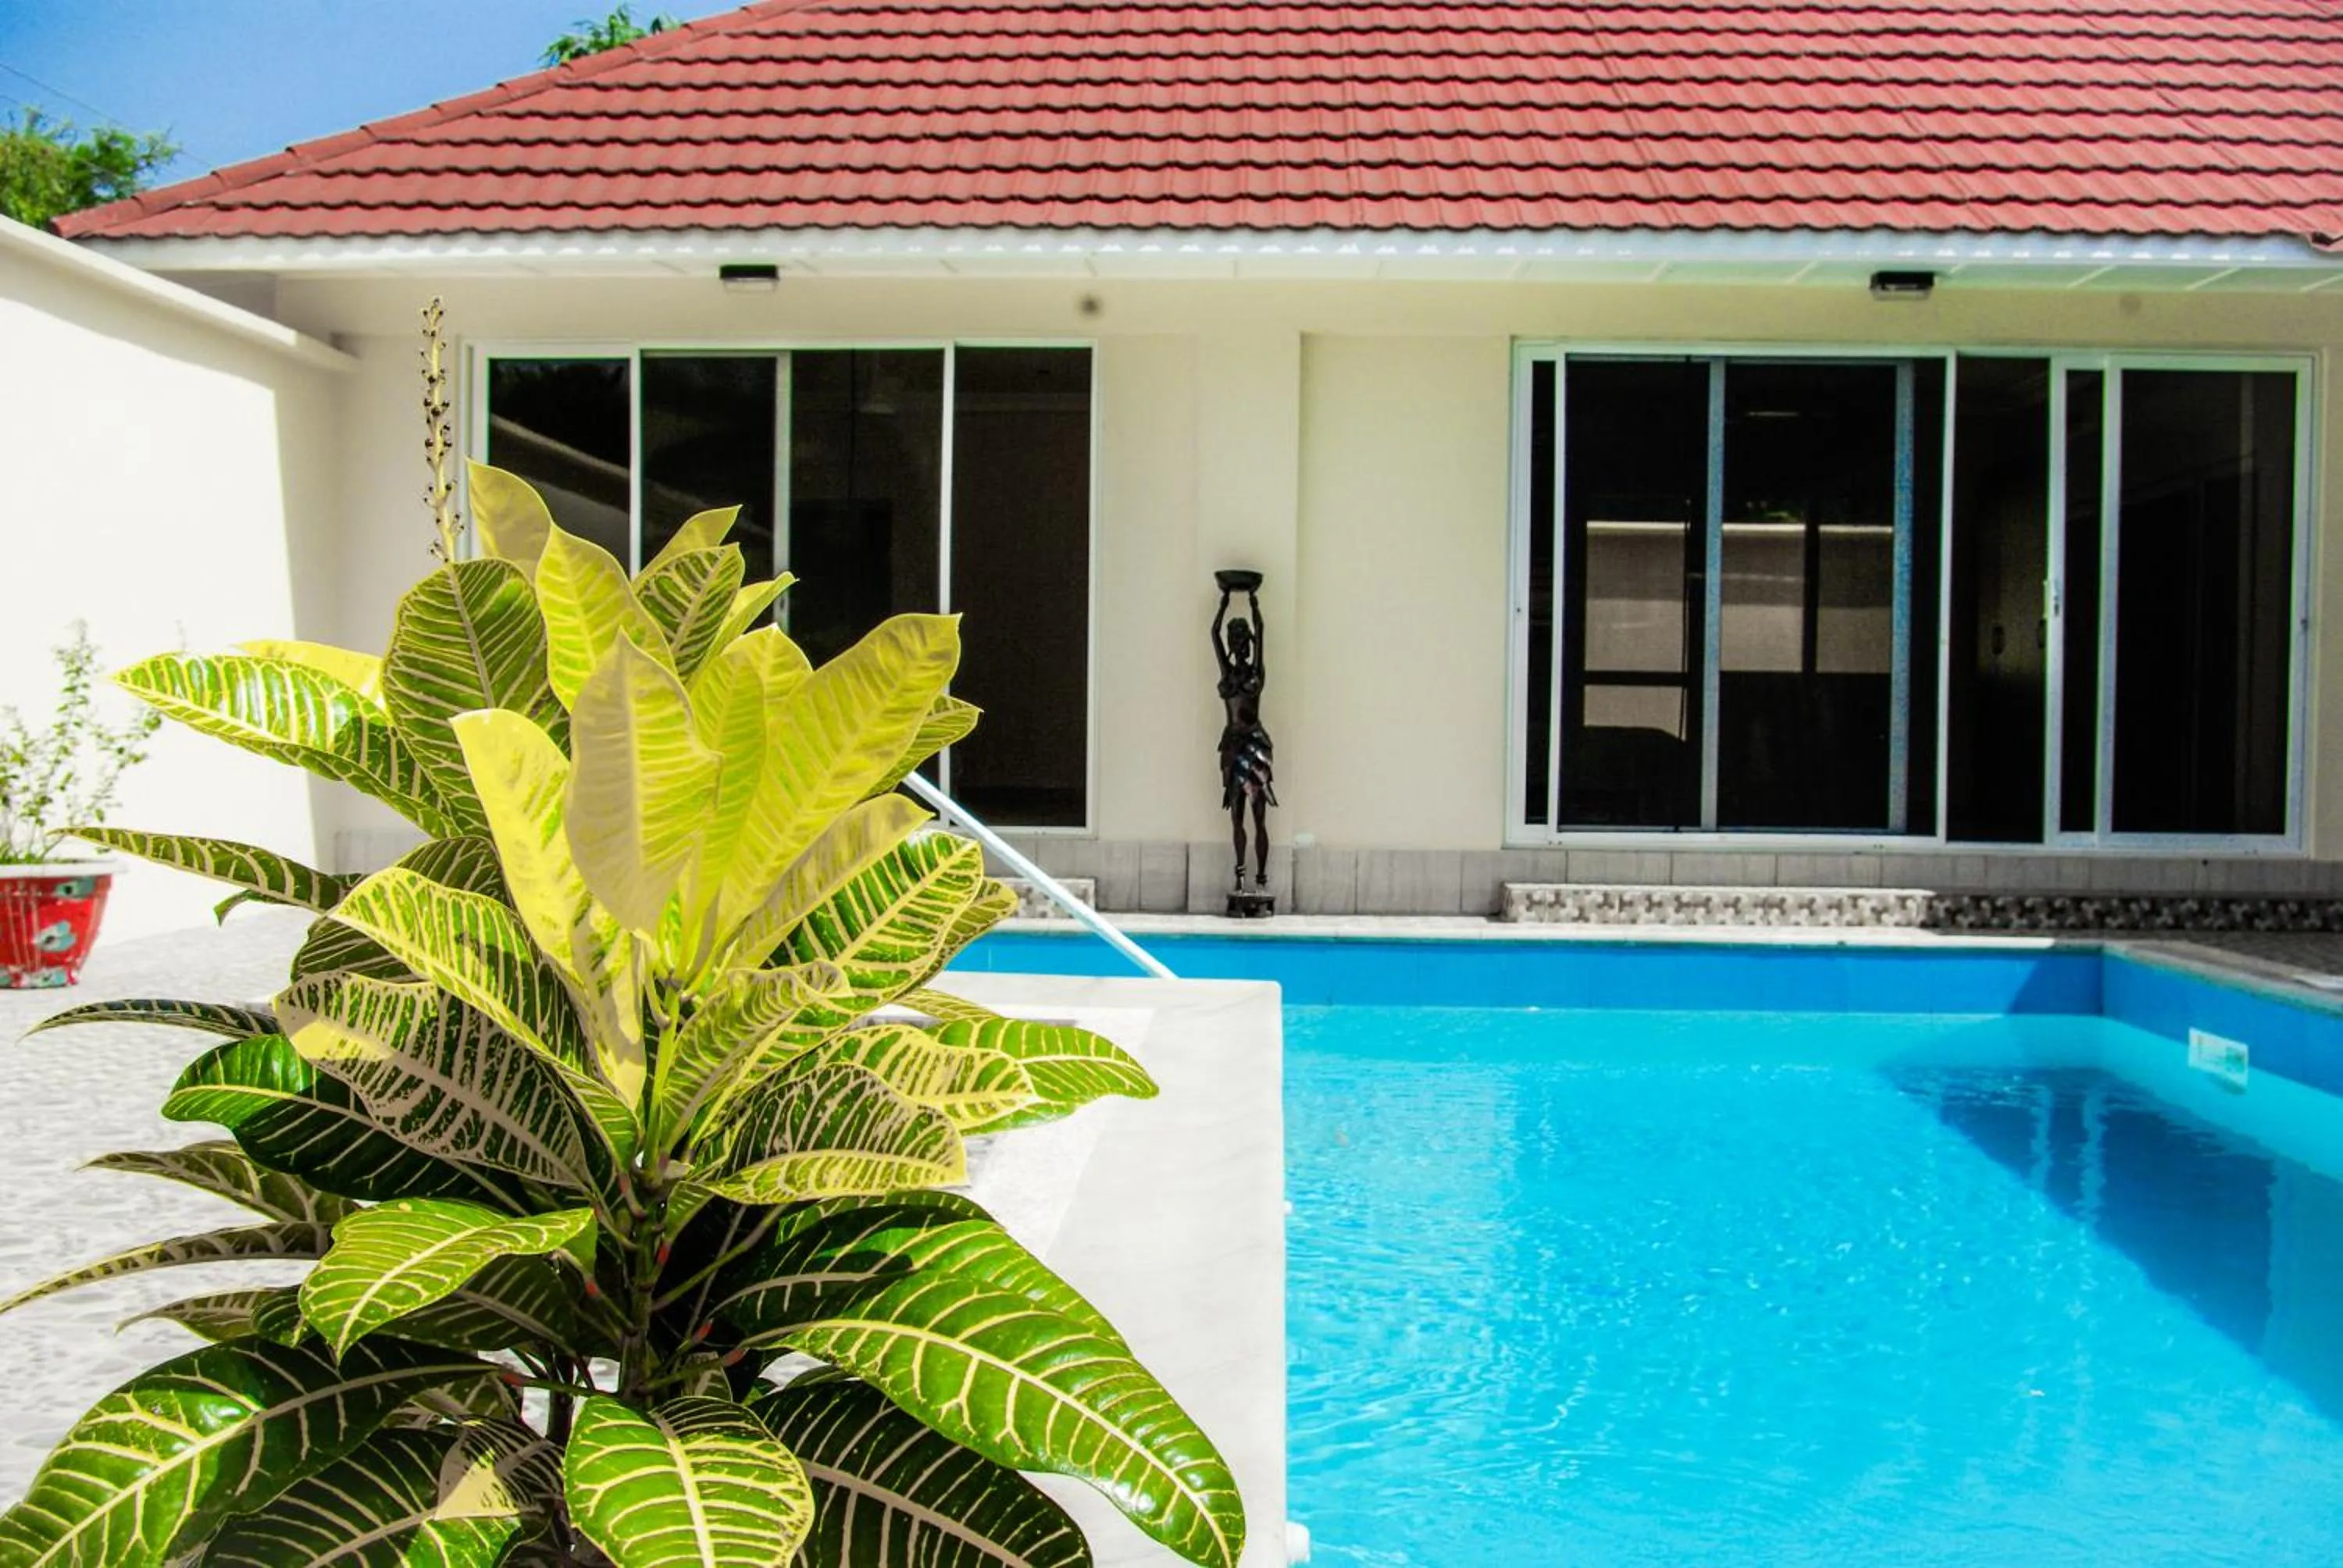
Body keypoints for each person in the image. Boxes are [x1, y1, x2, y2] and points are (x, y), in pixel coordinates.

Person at [1213, 583, 1275, 893]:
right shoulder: (1227, 674)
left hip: (1255, 744)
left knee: (1259, 813)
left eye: (1242, 640)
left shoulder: (1256, 674)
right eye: (1233, 640)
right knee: (1236, 814)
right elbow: (1213, 635)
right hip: (1232, 744)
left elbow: (1262, 632)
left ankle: (1261, 880)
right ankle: (1239, 876)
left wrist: (1253, 602)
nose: (1239, 645)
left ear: (1248, 644)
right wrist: (1223, 602)